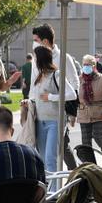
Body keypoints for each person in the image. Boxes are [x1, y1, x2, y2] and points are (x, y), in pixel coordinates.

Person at [25, 45, 76, 173]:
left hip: (55, 122)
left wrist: (51, 97)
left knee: (50, 158)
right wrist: (28, 102)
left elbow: (72, 95)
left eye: (35, 58)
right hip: (40, 121)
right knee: (42, 159)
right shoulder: (39, 76)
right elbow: (36, 97)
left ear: (41, 59)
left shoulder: (57, 75)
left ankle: (53, 191)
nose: (34, 61)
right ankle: (46, 189)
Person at [74, 54, 102, 158]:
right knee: (86, 142)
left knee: (98, 135)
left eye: (88, 64)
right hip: (84, 113)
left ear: (93, 66)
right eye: (84, 64)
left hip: (99, 113)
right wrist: (72, 115)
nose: (86, 67)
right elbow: (74, 98)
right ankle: (90, 164)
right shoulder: (79, 80)